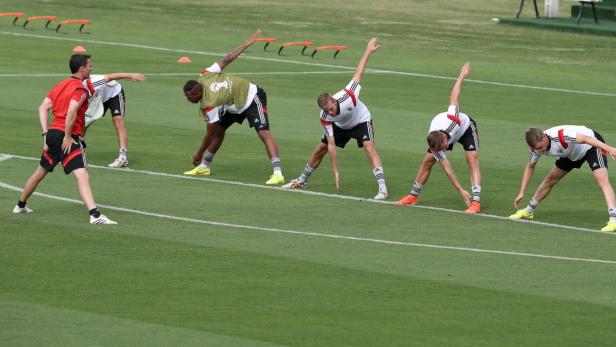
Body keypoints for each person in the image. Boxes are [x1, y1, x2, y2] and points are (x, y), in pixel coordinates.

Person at [12, 54, 117, 225]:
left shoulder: (61, 85)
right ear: (82, 69)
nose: (92, 68)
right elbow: (72, 110)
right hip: (66, 136)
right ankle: (95, 215)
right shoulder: (81, 90)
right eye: (90, 65)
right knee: (82, 175)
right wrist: (68, 136)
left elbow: (43, 108)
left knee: (40, 172)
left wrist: (45, 134)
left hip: (53, 134)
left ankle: (20, 205)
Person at [281, 37, 388, 199]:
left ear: (333, 100)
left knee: (368, 146)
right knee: (320, 149)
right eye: (327, 111)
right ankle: (301, 181)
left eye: (331, 108)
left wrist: (368, 51)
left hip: (361, 120)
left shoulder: (348, 96)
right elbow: (331, 144)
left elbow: (358, 72)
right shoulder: (325, 116)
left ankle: (383, 189)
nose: (330, 113)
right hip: (341, 126)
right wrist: (335, 170)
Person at [182, 29, 284, 185]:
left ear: (197, 93)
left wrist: (198, 153)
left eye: (189, 97)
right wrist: (246, 43)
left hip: (251, 97)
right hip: (233, 105)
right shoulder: (205, 74)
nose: (188, 100)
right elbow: (227, 59)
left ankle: (278, 173)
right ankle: (204, 166)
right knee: (219, 131)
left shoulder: (208, 103)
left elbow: (209, 132)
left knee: (263, 132)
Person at [395, 62, 481, 214]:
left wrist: (461, 75)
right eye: (442, 150)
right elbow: (448, 170)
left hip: (466, 128)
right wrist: (460, 190)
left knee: (472, 159)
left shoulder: (452, 120)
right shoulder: (435, 141)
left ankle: (475, 202)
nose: (445, 150)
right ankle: (413, 196)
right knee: (427, 161)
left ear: (444, 139)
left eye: (444, 147)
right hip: (444, 135)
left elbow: (454, 95)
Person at [510, 125, 616, 232]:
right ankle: (528, 212)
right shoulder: (535, 150)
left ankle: (614, 220)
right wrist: (521, 192)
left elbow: (586, 139)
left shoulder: (561, 136)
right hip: (570, 153)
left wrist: (610, 149)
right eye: (535, 149)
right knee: (550, 179)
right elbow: (530, 166)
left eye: (540, 147)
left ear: (544, 138)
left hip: (591, 146)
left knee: (602, 181)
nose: (539, 151)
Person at [83, 72, 145, 168]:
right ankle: (77, 150)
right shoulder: (74, 89)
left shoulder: (90, 82)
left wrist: (130, 75)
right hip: (97, 98)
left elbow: (111, 76)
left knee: (118, 121)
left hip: (114, 93)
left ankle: (123, 157)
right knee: (83, 122)